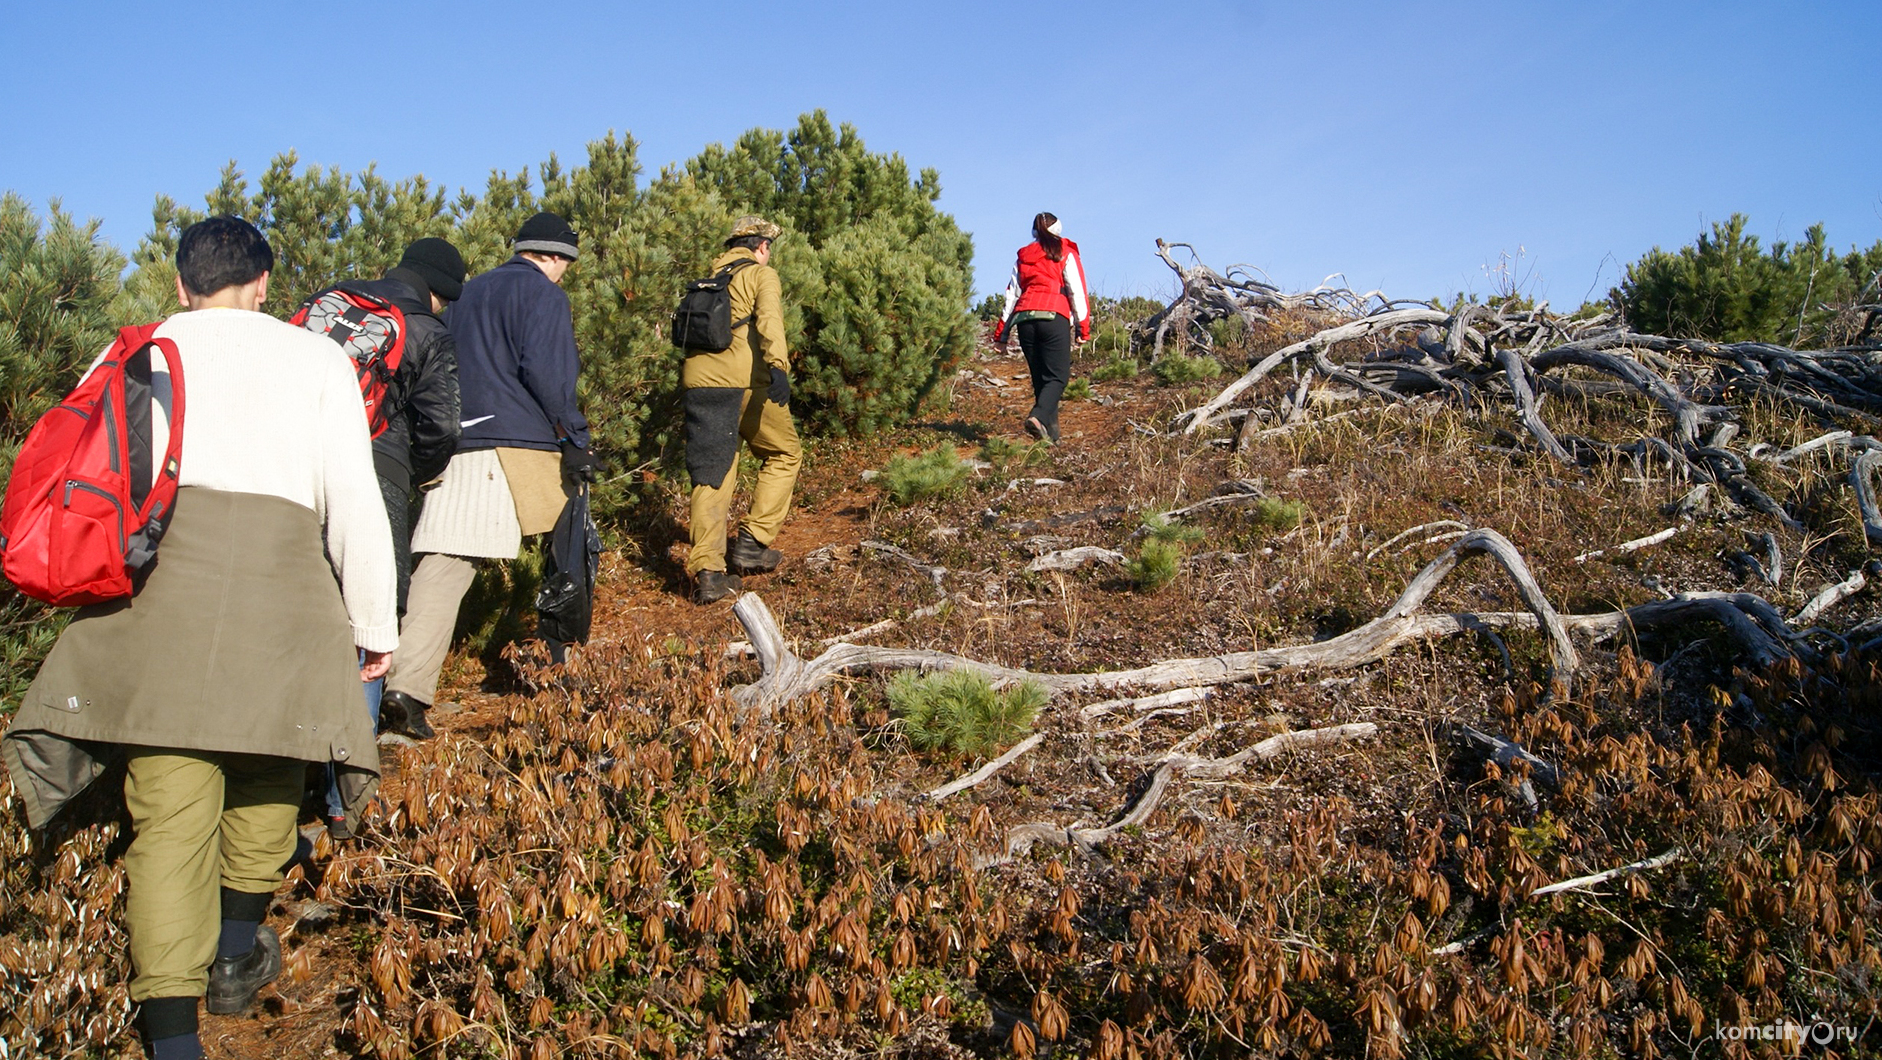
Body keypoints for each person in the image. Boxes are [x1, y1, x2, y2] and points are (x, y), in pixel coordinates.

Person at [0, 216, 396, 1060]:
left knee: (169, 822)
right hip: (284, 599)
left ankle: (174, 1042)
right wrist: (374, 627)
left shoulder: (136, 351)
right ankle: (231, 955)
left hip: (159, 604)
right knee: (267, 780)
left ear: (182, 286)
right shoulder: (317, 358)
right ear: (264, 286)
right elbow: (354, 504)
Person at [382, 213, 592, 734]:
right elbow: (548, 373)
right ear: (556, 257)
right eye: (567, 261)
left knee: (445, 556)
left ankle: (403, 685)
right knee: (566, 549)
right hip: (514, 444)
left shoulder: (465, 295)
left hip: (456, 440)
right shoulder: (543, 295)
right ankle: (559, 671)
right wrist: (576, 438)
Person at [316, 237, 465, 829]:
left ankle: (290, 774)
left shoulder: (329, 301)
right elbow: (443, 427)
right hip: (378, 469)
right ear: (438, 290)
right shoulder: (425, 329)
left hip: (302, 470)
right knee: (370, 619)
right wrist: (409, 472)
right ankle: (345, 799)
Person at [681, 215, 802, 604]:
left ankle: (710, 574)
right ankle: (752, 543)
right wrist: (779, 366)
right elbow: (769, 321)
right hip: (744, 383)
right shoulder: (759, 276)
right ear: (762, 246)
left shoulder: (707, 280)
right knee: (784, 453)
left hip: (700, 384)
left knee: (712, 473)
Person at [994, 212, 1091, 444]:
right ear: (1058, 230)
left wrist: (1002, 335)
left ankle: (1049, 437)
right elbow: (1076, 291)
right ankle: (1037, 417)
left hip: (1025, 321)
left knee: (1041, 380)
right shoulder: (1064, 251)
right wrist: (1082, 327)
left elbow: (1011, 296)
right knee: (1057, 378)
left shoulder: (1023, 256)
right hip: (1053, 317)